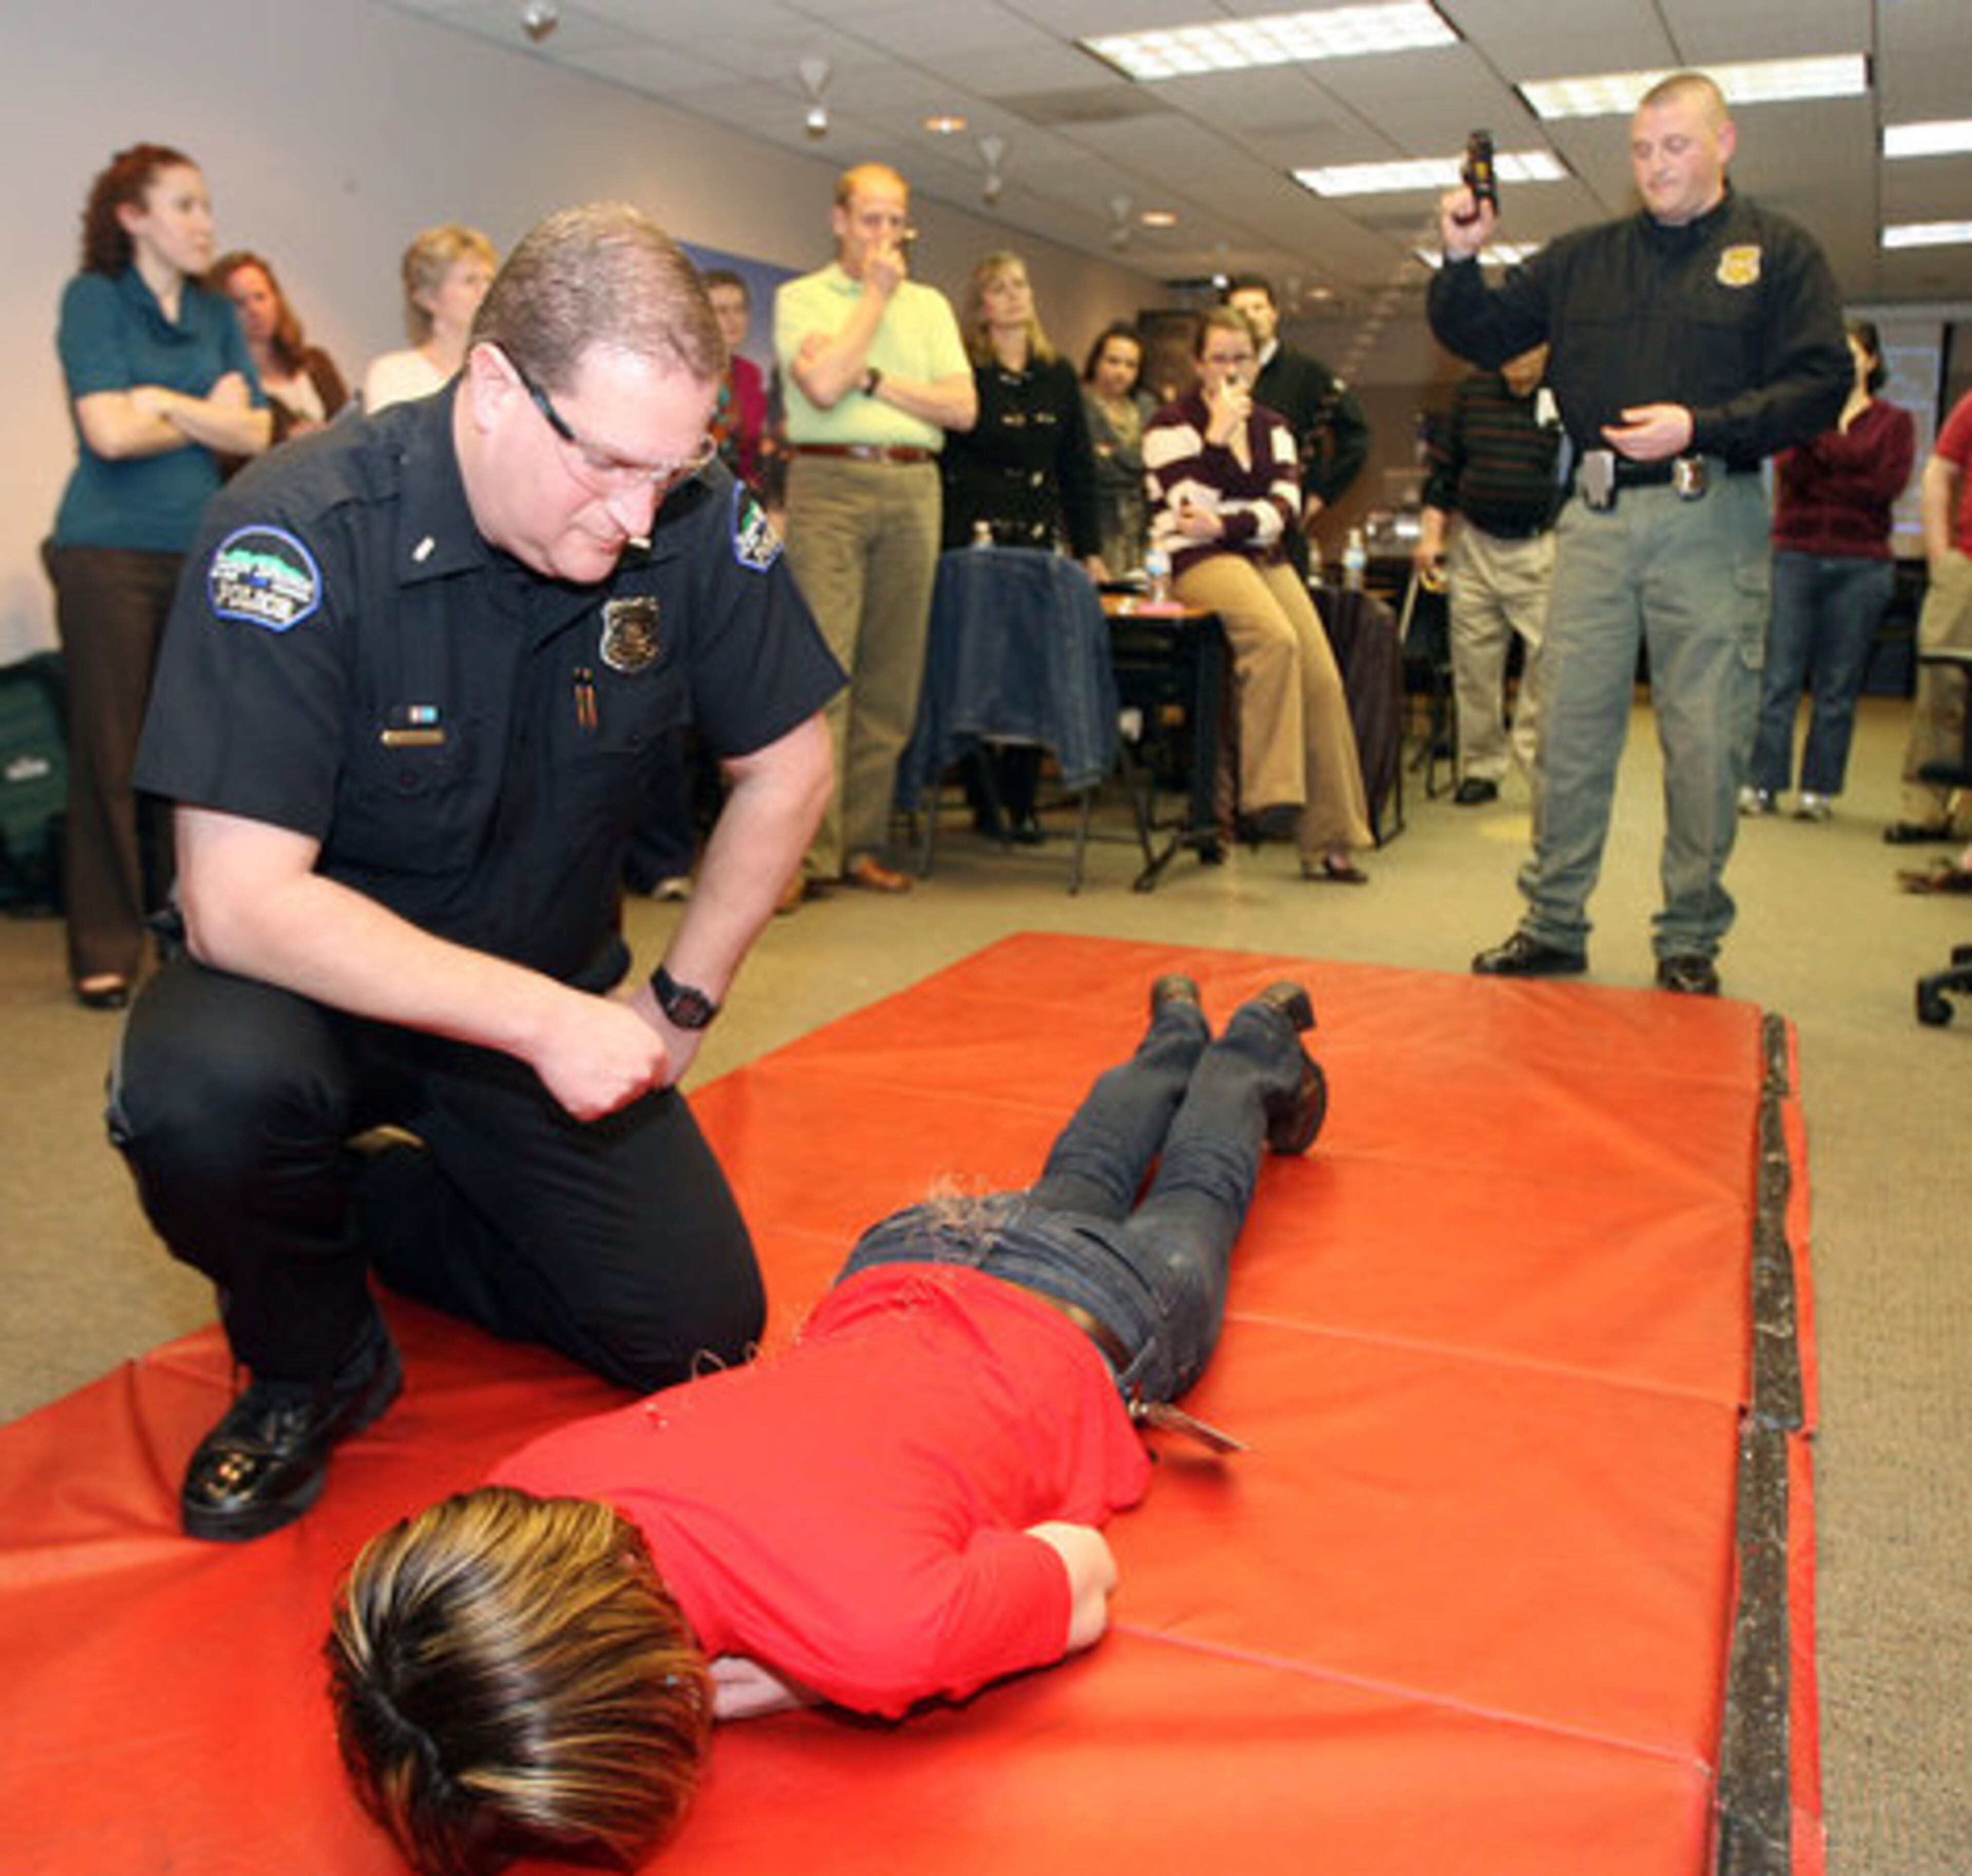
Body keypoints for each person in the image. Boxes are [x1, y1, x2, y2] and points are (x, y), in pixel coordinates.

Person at [109, 203, 842, 1545]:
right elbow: (238, 898)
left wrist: (674, 1007)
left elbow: (791, 766)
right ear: (495, 388)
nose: (638, 520)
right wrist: (548, 1022)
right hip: (304, 996)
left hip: (534, 997)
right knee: (200, 1095)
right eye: (611, 467)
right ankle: (310, 1353)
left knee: (693, 1330)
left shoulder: (684, 515)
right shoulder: (300, 528)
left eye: (669, 478)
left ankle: (368, 1199)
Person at [326, 972, 1328, 1876]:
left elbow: (1083, 1570)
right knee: (1088, 1166)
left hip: (1094, 1322)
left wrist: (758, 1682)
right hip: (907, 1259)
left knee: (1201, 1185)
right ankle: (1176, 1028)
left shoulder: (870, 1632)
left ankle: (1253, 1043)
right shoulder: (527, 1487)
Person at [1429, 69, 1849, 996]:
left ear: (1724, 144)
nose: (1657, 167)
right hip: (1598, 519)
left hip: (1712, 513)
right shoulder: (1585, 257)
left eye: (1678, 146)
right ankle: (1552, 922)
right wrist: (1460, 258)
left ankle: (1690, 936)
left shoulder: (1779, 253)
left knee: (1706, 738)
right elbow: (1488, 331)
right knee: (1570, 730)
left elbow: (1820, 382)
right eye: (1643, 149)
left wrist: (1703, 424)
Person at [44, 143, 271, 1012]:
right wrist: (203, 408)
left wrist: (159, 403)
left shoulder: (215, 312)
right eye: (185, 205)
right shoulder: (94, 299)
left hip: (201, 546)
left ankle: (191, 926)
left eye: (207, 205)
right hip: (105, 550)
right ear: (132, 215)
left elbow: (253, 432)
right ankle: (105, 947)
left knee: (194, 751)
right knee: (109, 750)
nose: (205, 222)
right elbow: (104, 433)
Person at [774, 161, 977, 898]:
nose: (887, 236)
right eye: (871, 220)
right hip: (829, 482)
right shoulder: (802, 299)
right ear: (839, 221)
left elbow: (962, 409)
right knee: (824, 674)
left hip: (915, 486)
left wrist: (873, 380)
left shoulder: (930, 308)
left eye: (898, 221)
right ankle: (801, 855)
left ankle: (860, 842)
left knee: (892, 680)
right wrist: (872, 300)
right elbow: (822, 387)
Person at [1144, 307, 1373, 883]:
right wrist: (1216, 441)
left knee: (1321, 675)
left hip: (1258, 555)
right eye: (1218, 358)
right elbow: (1185, 506)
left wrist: (1225, 521)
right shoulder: (1170, 424)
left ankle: (1332, 839)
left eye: (1240, 358)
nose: (1230, 370)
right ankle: (1270, 795)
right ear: (1199, 364)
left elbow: (1284, 512)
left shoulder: (1274, 426)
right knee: (1274, 640)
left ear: (1256, 361)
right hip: (1195, 562)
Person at [939, 250, 1108, 841]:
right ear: (980, 305)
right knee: (978, 670)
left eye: (1021, 284)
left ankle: (1022, 799)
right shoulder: (961, 370)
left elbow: (1077, 469)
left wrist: (1090, 549)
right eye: (999, 287)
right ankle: (985, 801)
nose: (1014, 295)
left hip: (1037, 543)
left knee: (1031, 671)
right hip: (974, 544)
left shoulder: (1057, 373)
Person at [1741, 320, 1915, 823]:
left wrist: (1827, 456)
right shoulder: (1800, 413)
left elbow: (1884, 485)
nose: (1844, 360)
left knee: (1838, 685)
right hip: (1794, 556)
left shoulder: (1895, 422)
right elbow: (1794, 472)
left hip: (1863, 565)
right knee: (1778, 679)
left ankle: (1818, 791)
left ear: (1873, 361)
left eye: (1854, 351)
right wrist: (1849, 463)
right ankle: (1762, 784)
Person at [1415, 344, 1563, 808]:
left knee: (1550, 662)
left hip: (1541, 545)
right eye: (1508, 354)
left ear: (1546, 349)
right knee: (1474, 666)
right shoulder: (1472, 392)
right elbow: (1444, 471)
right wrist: (1430, 536)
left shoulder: (1568, 391)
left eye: (1526, 354)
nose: (1515, 364)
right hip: (1475, 544)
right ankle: (1481, 765)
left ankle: (1536, 758)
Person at [1225, 276, 1371, 572]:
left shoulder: (1307, 373)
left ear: (1274, 314)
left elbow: (1356, 436)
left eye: (1258, 308)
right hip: (1227, 526)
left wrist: (1321, 495)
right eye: (1242, 312)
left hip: (1284, 529)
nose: (1251, 318)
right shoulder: (1221, 374)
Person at [1882, 387, 1972, 845]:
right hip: (1965, 570)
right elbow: (1940, 473)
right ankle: (1925, 808)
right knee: (1943, 686)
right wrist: (1941, 557)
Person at [208, 250, 350, 462]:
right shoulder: (224, 385)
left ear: (276, 299)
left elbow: (348, 430)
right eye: (239, 303)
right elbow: (228, 462)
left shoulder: (317, 363)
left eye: (261, 297)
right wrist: (284, 442)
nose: (254, 310)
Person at [360, 223, 498, 413]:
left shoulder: (504, 373)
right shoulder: (393, 375)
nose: (486, 291)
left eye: (490, 280)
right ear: (428, 298)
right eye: (470, 281)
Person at [1082, 321, 1155, 575]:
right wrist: (1133, 463)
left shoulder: (1147, 408)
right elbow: (1092, 470)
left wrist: (1112, 453)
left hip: (1140, 531)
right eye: (1113, 361)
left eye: (1130, 365)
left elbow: (1152, 464)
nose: (1121, 372)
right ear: (1096, 362)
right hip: (1097, 528)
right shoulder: (1080, 406)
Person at [702, 268, 767, 487]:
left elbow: (750, 447)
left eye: (740, 310)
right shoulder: (683, 370)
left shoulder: (750, 374)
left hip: (732, 489)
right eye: (721, 311)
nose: (733, 320)